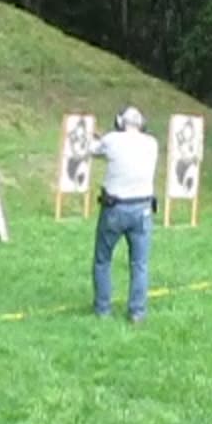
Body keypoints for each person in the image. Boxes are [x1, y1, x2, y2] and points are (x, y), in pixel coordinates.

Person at [88, 105, 159, 324]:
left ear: (120, 122)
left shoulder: (112, 140)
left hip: (115, 209)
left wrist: (94, 136)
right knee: (139, 264)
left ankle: (103, 308)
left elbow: (92, 149)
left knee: (102, 260)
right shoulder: (152, 143)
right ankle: (137, 313)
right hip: (144, 210)